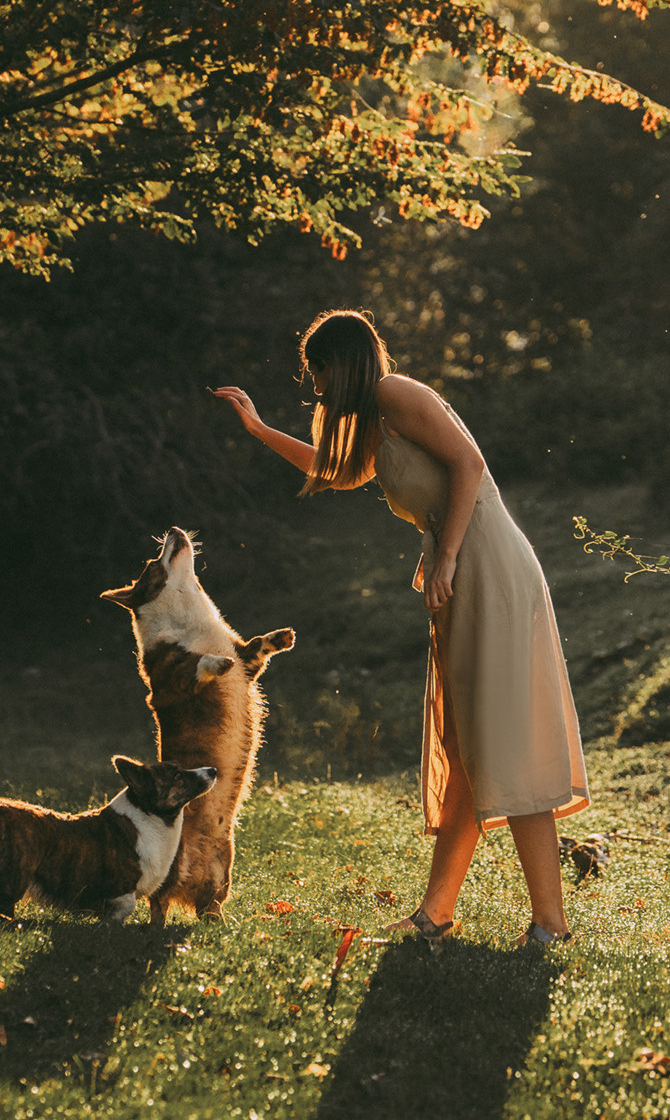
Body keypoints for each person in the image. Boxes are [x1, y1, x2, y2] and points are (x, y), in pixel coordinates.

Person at [213, 309, 589, 947]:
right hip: (459, 570)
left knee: (506, 738)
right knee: (467, 746)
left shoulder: (398, 394)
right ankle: (434, 916)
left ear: (345, 361)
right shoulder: (373, 423)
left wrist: (445, 556)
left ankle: (550, 924)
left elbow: (470, 464)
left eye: (319, 373)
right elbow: (332, 470)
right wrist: (258, 428)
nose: (317, 389)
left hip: (487, 565)